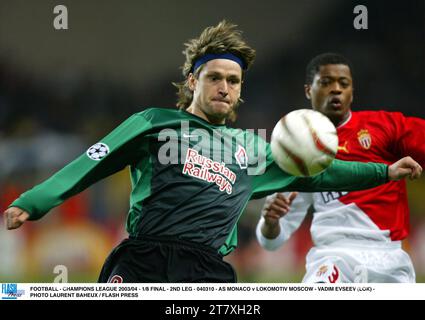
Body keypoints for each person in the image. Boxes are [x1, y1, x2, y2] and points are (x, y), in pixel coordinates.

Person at [4, 27, 421, 283]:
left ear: (241, 90)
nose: (225, 87)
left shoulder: (255, 149)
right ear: (193, 80)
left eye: (234, 80)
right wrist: (33, 202)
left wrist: (385, 172)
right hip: (143, 260)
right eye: (215, 77)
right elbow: (92, 161)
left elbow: (324, 173)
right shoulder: (154, 122)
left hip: (208, 271)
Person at [256, 52, 425, 283]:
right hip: (333, 258)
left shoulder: (386, 126)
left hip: (390, 260)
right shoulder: (297, 147)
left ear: (352, 92)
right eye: (326, 82)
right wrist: (271, 222)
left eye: (343, 83)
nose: (336, 89)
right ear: (308, 90)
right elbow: (271, 241)